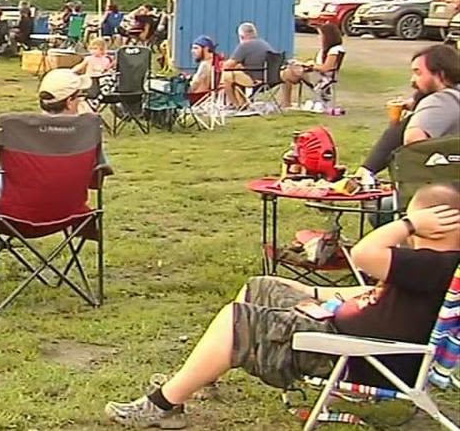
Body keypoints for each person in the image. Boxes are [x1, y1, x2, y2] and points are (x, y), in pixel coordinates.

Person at [105, 183, 460, 429]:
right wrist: (315, 294)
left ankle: (163, 406)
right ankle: (198, 377)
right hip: (349, 331)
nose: (409, 232)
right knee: (263, 286)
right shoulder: (435, 266)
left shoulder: (433, 264)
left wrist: (409, 222)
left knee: (236, 319)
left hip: (354, 356)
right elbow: (381, 295)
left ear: (438, 222)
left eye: (415, 221)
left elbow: (365, 256)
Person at [0, 68, 109, 279]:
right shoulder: (87, 131)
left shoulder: (22, 130)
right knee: (9, 175)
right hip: (67, 212)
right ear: (70, 101)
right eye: (80, 96)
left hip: (9, 214)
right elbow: (97, 180)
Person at [359, 44, 460, 180]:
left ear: (440, 74)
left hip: (445, 192)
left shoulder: (441, 100)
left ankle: (363, 173)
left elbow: (413, 141)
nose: (412, 79)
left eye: (418, 73)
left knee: (384, 201)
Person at [279, 24, 344, 108]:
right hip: (316, 74)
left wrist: (312, 65)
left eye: (321, 35)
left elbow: (326, 68)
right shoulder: (325, 49)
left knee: (288, 73)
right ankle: (286, 101)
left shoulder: (335, 50)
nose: (319, 38)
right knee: (289, 71)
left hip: (323, 78)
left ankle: (285, 101)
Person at [219, 22, 276, 109]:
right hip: (269, 78)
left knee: (227, 76)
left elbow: (227, 66)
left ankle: (235, 104)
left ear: (241, 36)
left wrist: (221, 63)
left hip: (255, 80)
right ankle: (243, 103)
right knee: (236, 74)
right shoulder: (263, 43)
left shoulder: (244, 46)